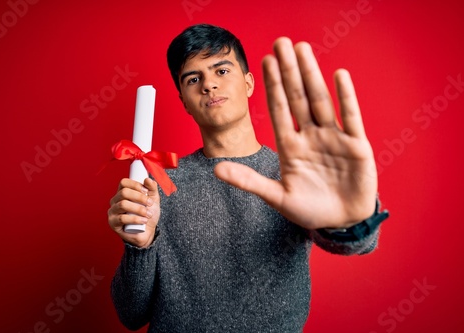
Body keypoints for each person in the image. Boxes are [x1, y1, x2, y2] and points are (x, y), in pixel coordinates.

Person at [108, 24, 388, 332]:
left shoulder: (293, 175)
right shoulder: (157, 184)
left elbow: (356, 245)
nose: (209, 85)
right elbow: (131, 314)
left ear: (249, 82)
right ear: (184, 101)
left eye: (222, 71)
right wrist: (140, 245)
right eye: (193, 78)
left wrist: (349, 221)